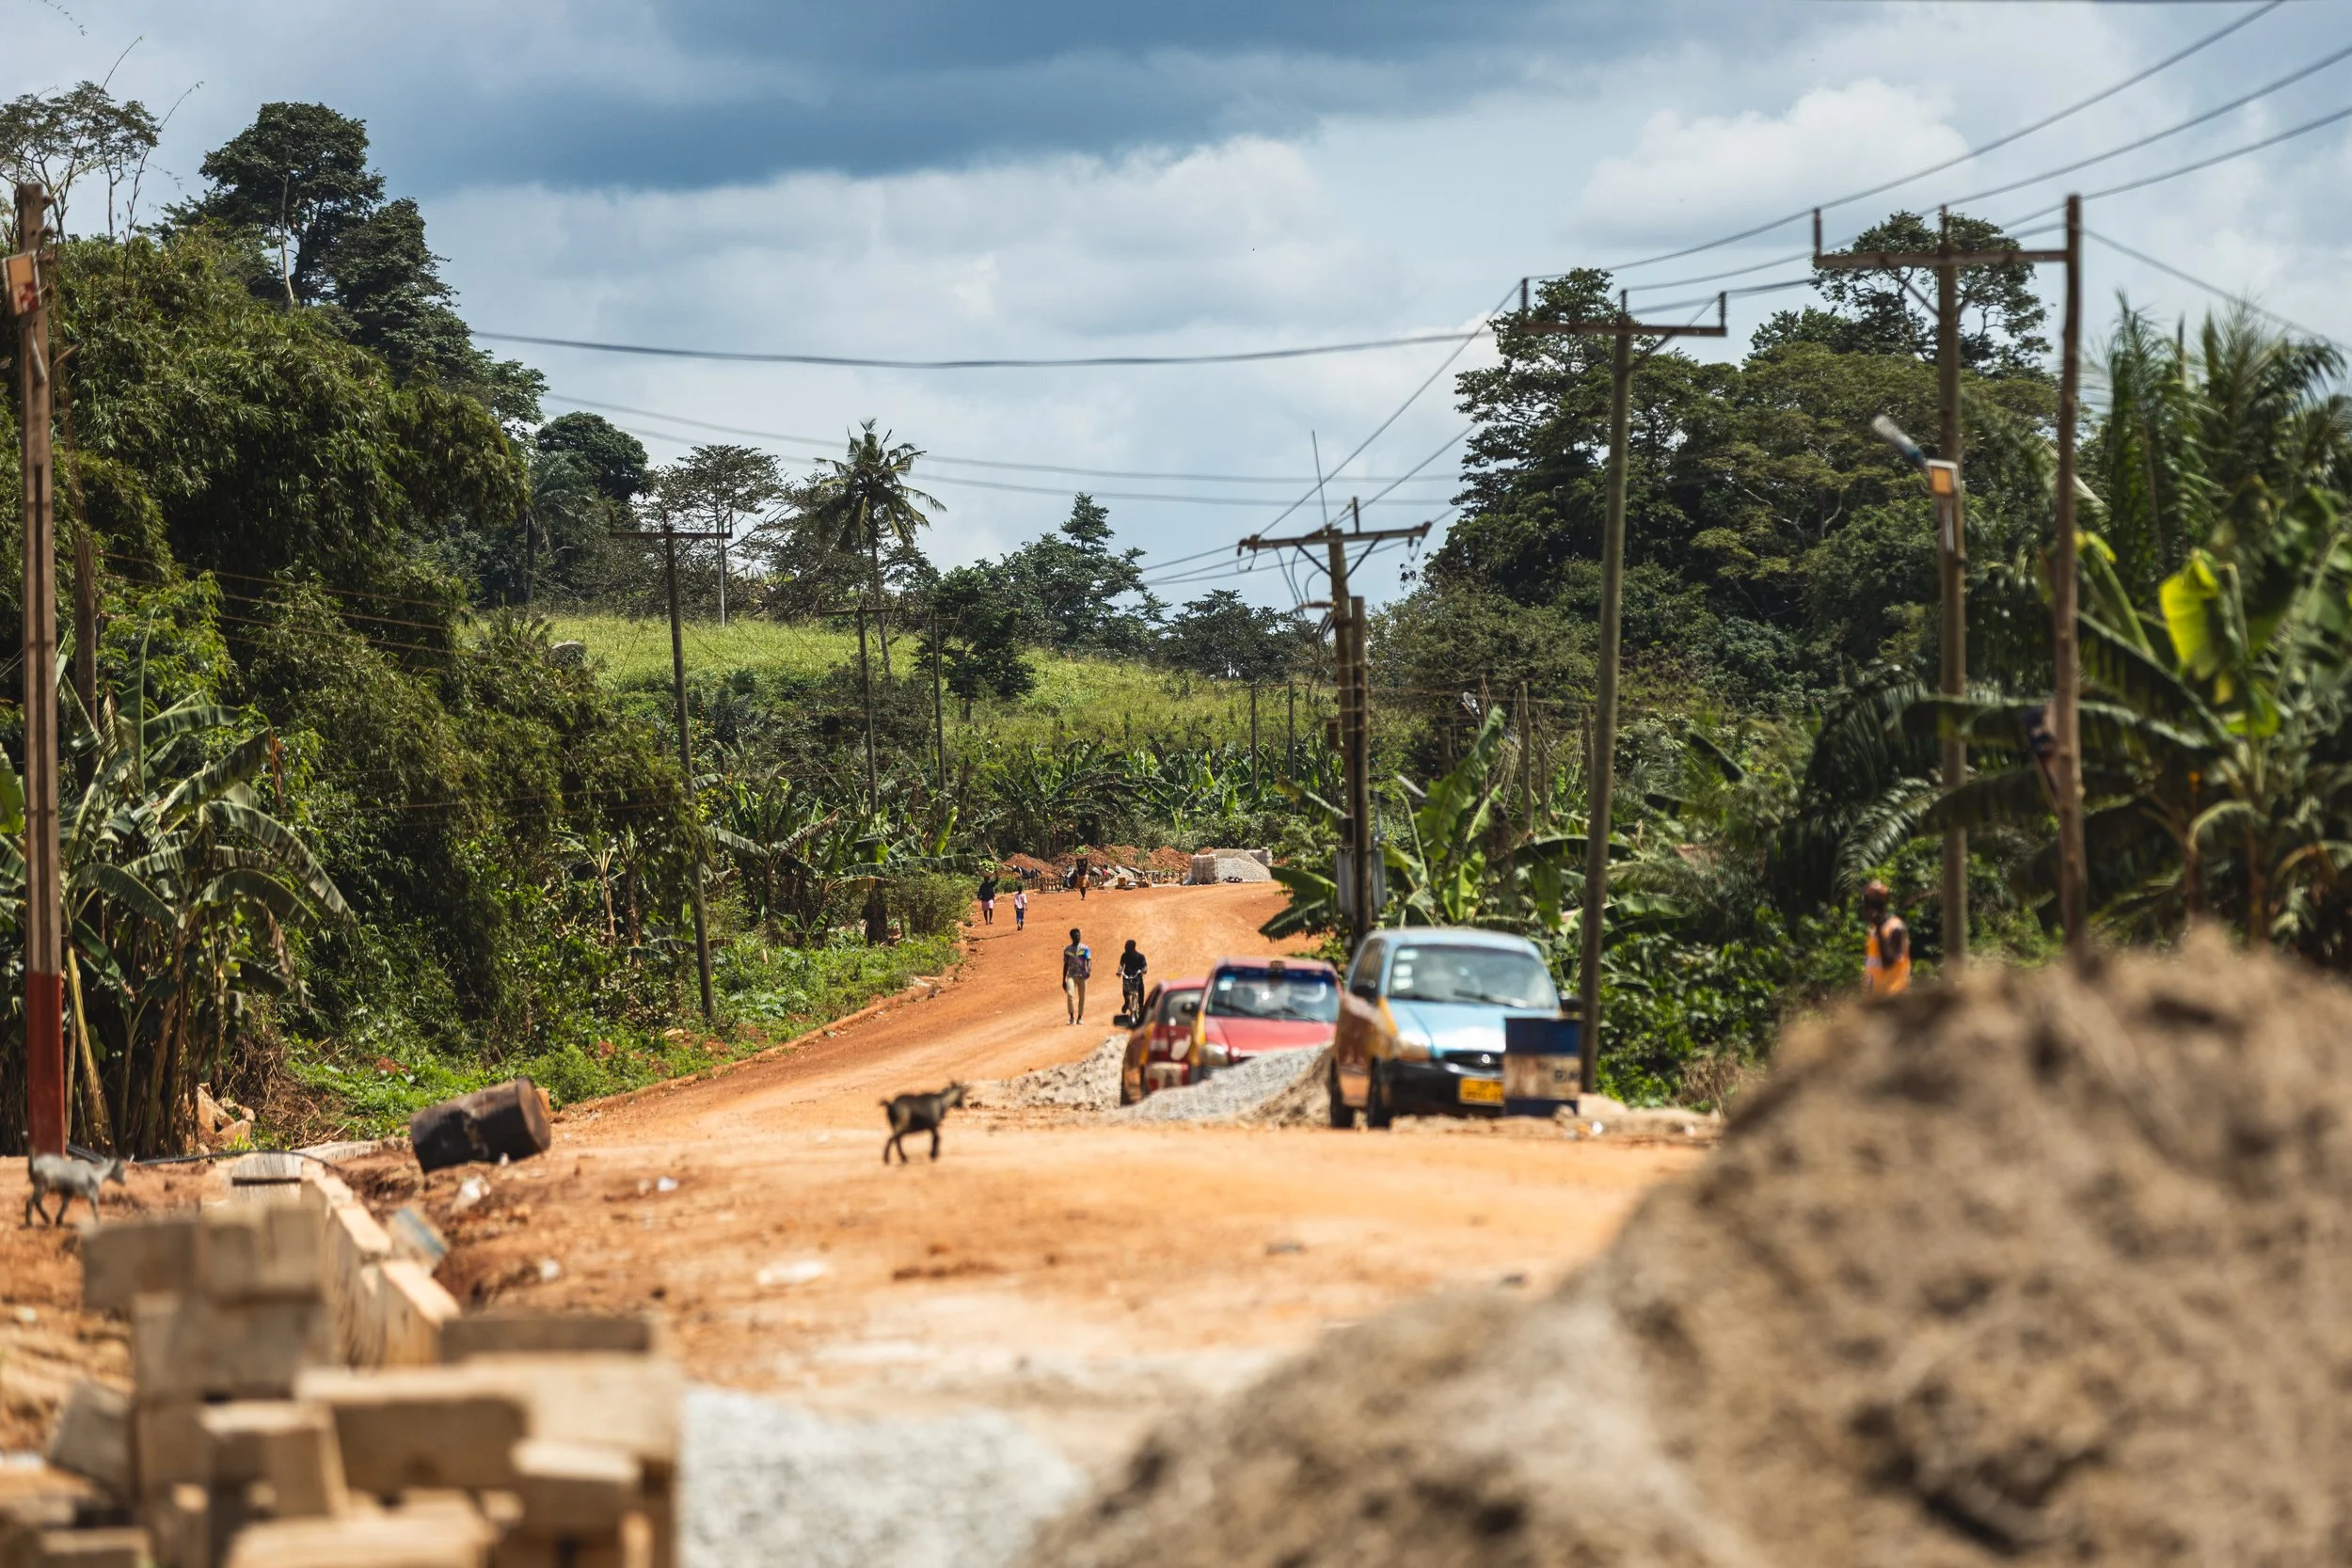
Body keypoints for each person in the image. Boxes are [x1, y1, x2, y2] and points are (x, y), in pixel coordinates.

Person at [1861, 880, 1911, 997]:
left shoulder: (1895, 928)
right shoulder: (1873, 930)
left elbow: (1890, 961)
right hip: (1877, 996)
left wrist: (1879, 929)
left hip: (1893, 996)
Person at [1062, 928, 1091, 1025]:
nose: (1078, 937)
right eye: (1076, 936)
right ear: (1072, 937)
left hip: (1082, 976)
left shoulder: (1085, 948)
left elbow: (1089, 960)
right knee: (1070, 995)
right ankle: (1071, 1017)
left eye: (1079, 935)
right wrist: (1063, 980)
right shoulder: (1067, 950)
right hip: (1071, 976)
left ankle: (1079, 1017)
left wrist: (1089, 970)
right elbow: (1065, 965)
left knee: (1082, 998)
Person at [1118, 939, 1148, 1019]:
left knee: (1141, 988)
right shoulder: (1124, 955)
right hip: (1127, 976)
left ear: (1132, 948)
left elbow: (1144, 966)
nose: (1125, 948)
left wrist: (1144, 970)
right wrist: (1119, 971)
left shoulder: (1140, 956)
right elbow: (1121, 965)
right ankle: (1127, 1002)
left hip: (1136, 977)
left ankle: (1141, 1006)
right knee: (1125, 989)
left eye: (1127, 947)